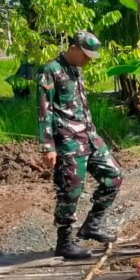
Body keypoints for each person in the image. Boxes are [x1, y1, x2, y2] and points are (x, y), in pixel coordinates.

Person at [37, 31, 123, 260]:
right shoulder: (51, 70)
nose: (88, 60)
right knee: (71, 189)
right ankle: (64, 242)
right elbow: (44, 111)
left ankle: (92, 226)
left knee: (114, 176)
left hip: (89, 136)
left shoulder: (76, 69)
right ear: (73, 48)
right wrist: (47, 146)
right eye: (85, 55)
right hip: (67, 141)